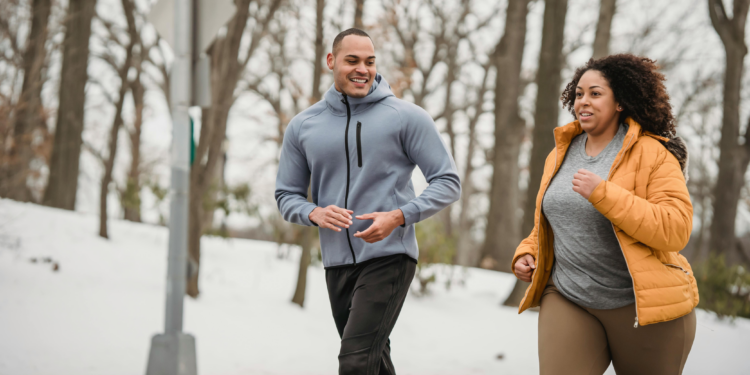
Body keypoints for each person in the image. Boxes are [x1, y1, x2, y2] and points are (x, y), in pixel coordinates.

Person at [275, 28, 460, 375]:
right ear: (331, 62)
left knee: (355, 361)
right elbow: (286, 194)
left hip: (390, 256)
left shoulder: (406, 117)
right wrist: (313, 212)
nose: (363, 69)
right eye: (353, 60)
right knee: (373, 362)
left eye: (370, 61)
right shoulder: (303, 126)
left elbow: (448, 181)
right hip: (336, 263)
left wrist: (399, 217)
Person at [511, 54, 698, 375]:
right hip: (570, 296)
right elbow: (551, 222)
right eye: (579, 93)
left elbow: (675, 229)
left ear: (620, 102)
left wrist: (604, 194)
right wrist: (528, 251)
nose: (584, 101)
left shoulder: (654, 153)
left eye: (595, 94)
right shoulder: (561, 152)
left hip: (644, 307)